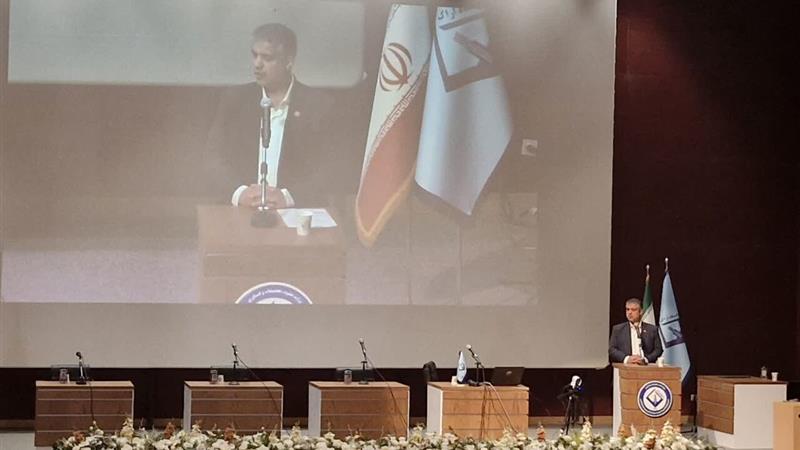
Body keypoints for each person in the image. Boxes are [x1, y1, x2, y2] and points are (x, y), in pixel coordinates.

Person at [205, 23, 352, 208]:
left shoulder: (320, 105)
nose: (257, 64)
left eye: (267, 58)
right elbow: (213, 157)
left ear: (288, 61)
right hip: (242, 210)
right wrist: (240, 193)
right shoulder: (235, 99)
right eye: (255, 55)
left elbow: (331, 167)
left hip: (295, 211)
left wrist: (288, 197)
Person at [608, 297, 663, 364]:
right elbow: (612, 349)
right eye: (627, 309)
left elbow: (658, 350)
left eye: (633, 310)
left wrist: (646, 359)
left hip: (646, 367)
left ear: (641, 311)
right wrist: (627, 359)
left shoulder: (652, 329)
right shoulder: (618, 329)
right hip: (625, 367)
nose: (629, 312)